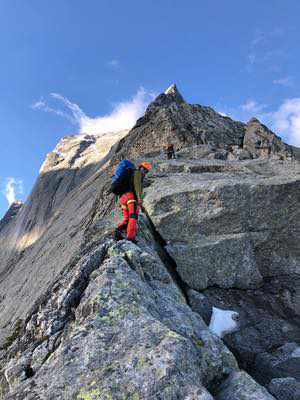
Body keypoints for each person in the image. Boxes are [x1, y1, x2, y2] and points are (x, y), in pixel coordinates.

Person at [113, 161, 152, 242]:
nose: (145, 172)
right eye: (145, 170)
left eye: (146, 171)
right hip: (130, 198)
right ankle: (130, 237)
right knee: (133, 217)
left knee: (127, 219)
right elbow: (138, 188)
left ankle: (117, 232)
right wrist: (140, 201)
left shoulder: (129, 173)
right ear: (141, 168)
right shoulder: (138, 174)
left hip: (123, 198)